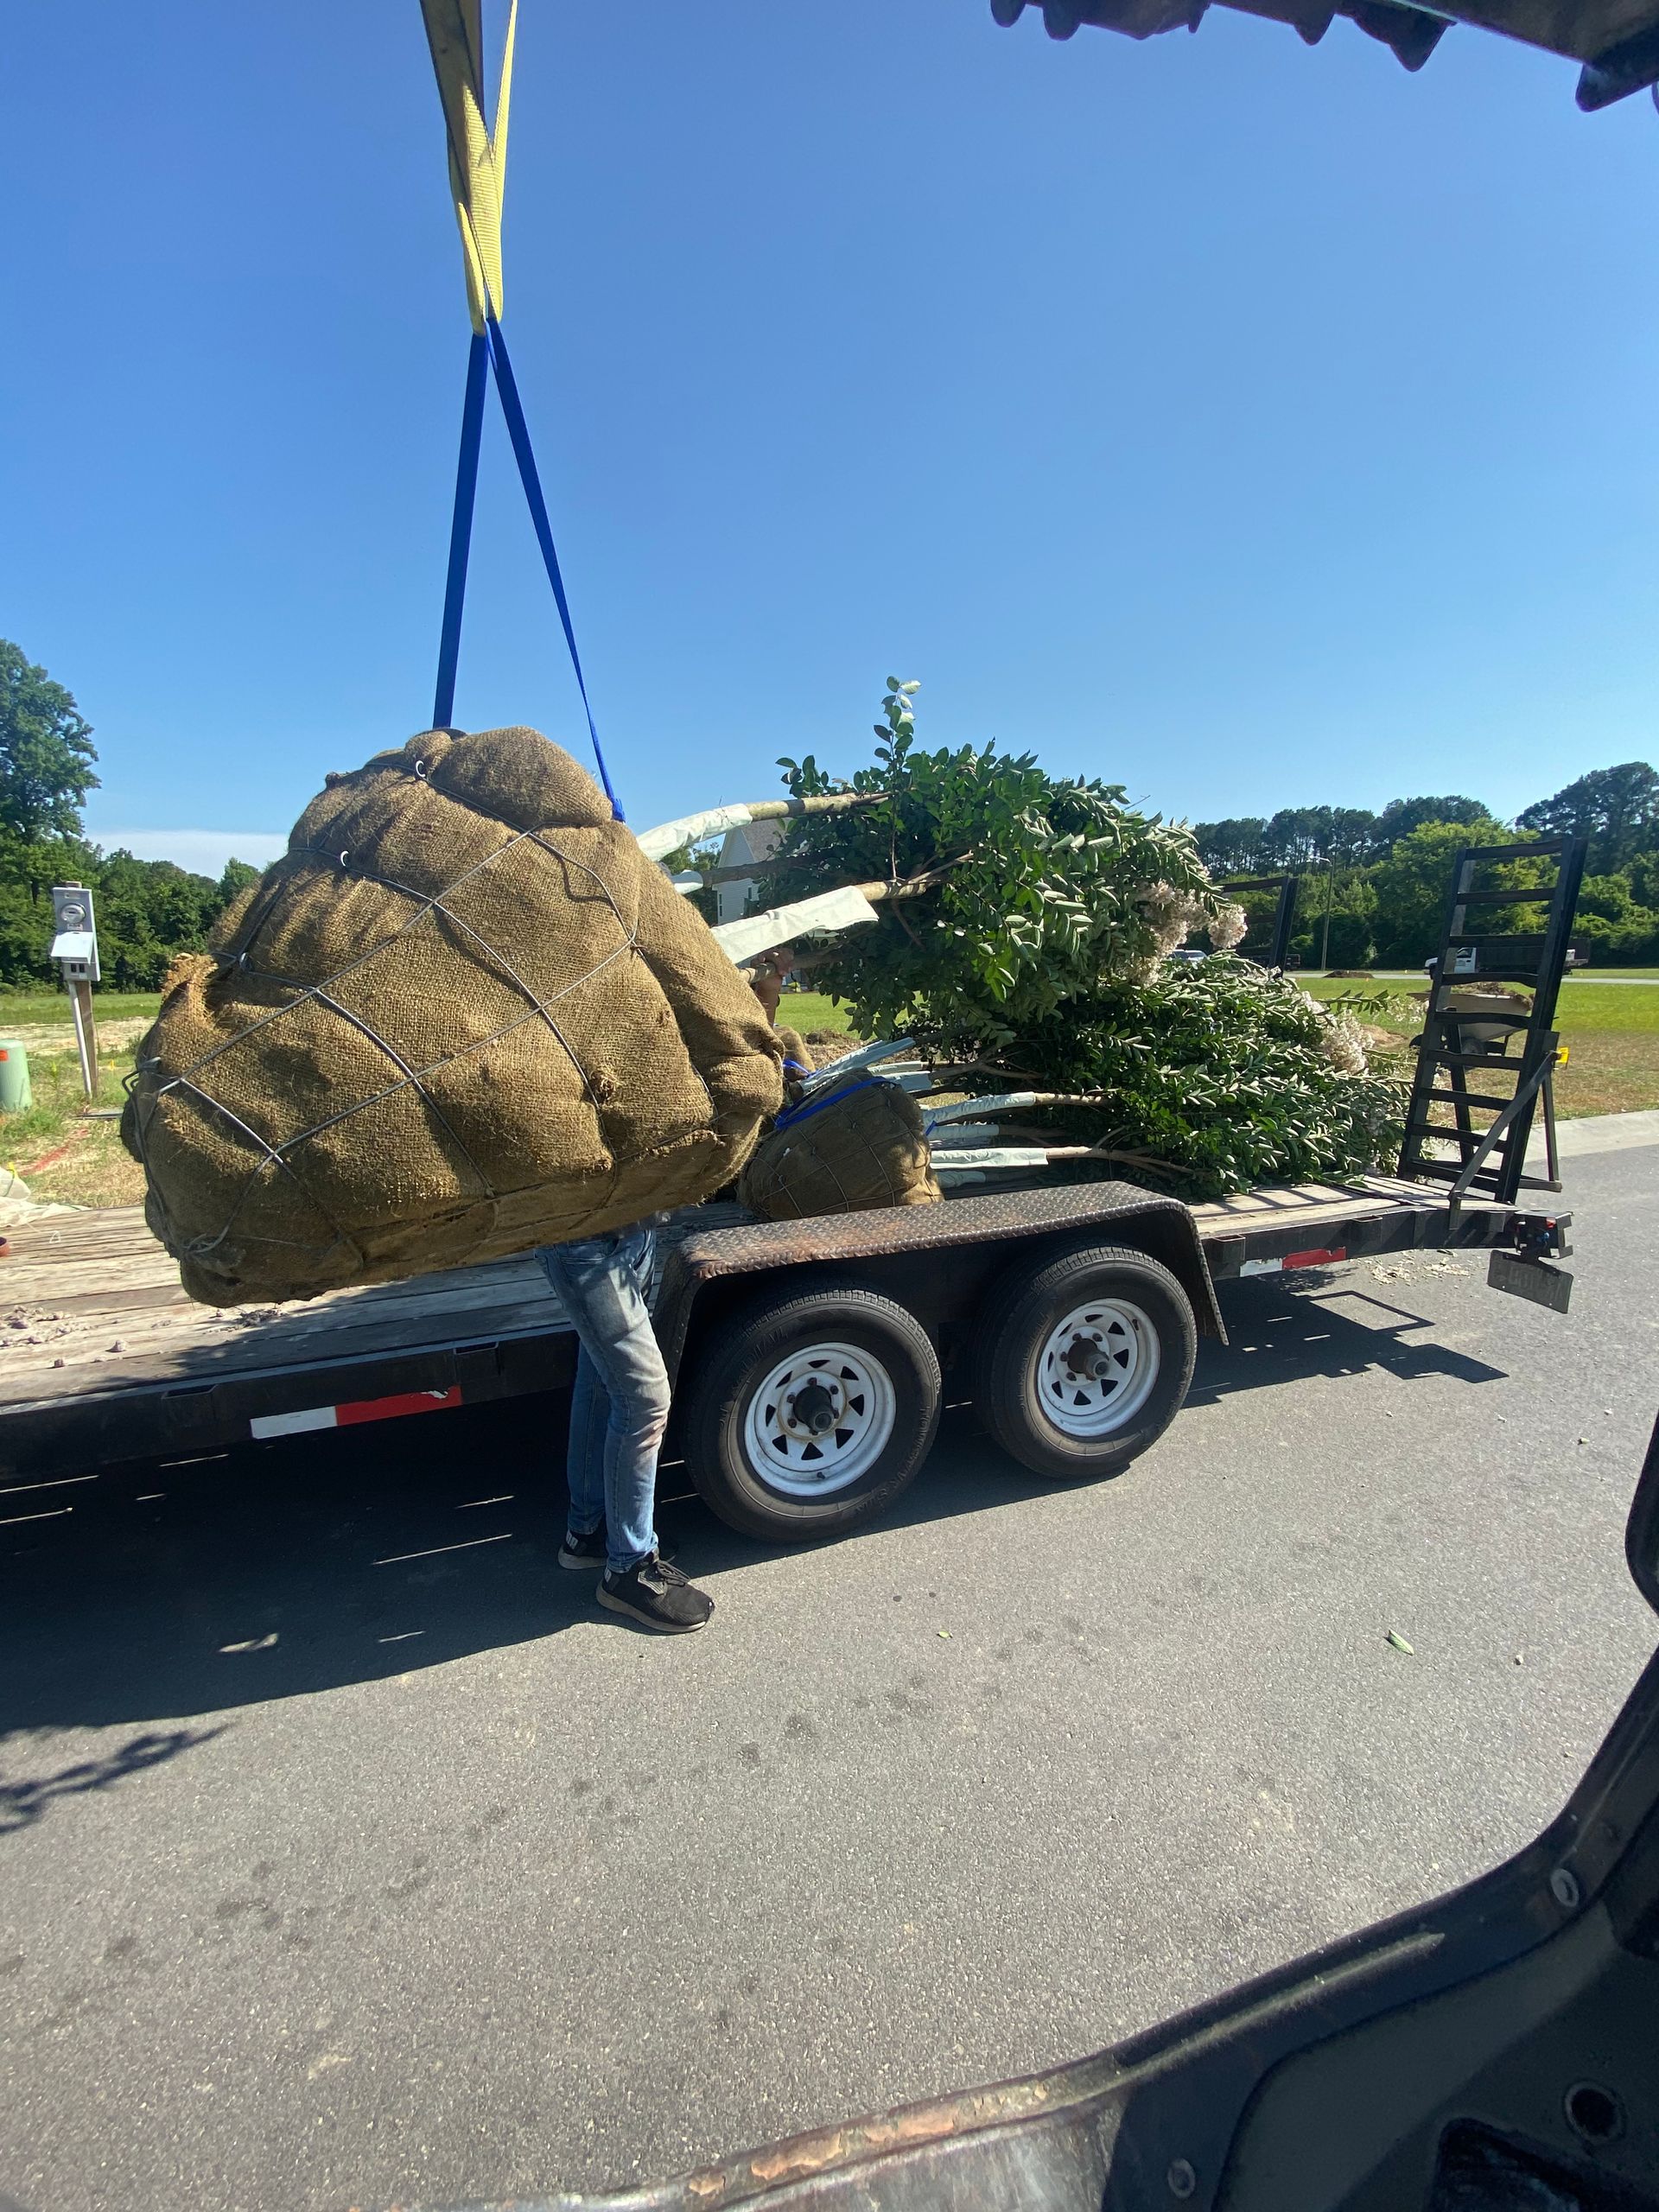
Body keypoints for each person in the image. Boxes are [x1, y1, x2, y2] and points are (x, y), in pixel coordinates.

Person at [540, 951, 791, 1636]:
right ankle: (628, 1569)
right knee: (645, 1398)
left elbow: (717, 1051)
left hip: (637, 1232)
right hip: (582, 1240)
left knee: (602, 1382)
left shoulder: (645, 1009)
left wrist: (764, 996)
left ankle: (588, 1533)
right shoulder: (564, 1021)